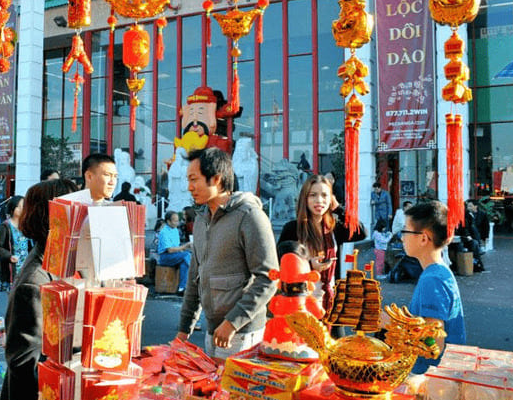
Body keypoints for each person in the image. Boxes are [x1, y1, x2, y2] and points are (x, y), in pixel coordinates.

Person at [0, 178, 78, 400]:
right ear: (55, 220)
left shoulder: (61, 263)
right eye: (74, 211)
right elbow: (25, 365)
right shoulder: (34, 282)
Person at [177, 148, 278, 358]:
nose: (189, 187)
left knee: (233, 391)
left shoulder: (250, 216)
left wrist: (233, 322)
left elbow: (269, 278)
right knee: (211, 389)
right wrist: (184, 329)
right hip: (212, 330)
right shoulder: (201, 219)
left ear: (216, 178)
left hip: (242, 334)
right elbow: (194, 280)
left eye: (194, 179)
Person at [277, 174, 367, 315]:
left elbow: (361, 232)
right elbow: (280, 264)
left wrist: (338, 208)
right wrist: (309, 266)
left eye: (324, 195)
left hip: (331, 302)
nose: (319, 200)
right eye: (313, 195)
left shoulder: (334, 227)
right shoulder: (292, 229)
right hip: (301, 305)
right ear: (305, 199)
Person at [397, 200, 466, 374]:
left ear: (423, 238)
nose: (402, 237)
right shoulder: (439, 272)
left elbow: (433, 344)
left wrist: (394, 324)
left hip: (432, 379)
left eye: (405, 231)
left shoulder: (432, 280)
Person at [0, 195, 29, 291]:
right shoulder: (5, 226)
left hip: (26, 267)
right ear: (12, 208)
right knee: (13, 299)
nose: (22, 209)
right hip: (12, 268)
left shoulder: (26, 225)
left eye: (24, 206)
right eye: (18, 206)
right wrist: (9, 256)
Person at [156, 210, 192, 295]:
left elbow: (177, 246)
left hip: (175, 256)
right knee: (186, 255)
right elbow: (170, 250)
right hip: (165, 257)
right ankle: (195, 274)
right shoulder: (164, 232)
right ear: (168, 221)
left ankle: (181, 288)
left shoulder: (175, 230)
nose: (177, 222)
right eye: (175, 221)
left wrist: (184, 249)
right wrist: (185, 246)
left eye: (178, 220)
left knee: (185, 261)